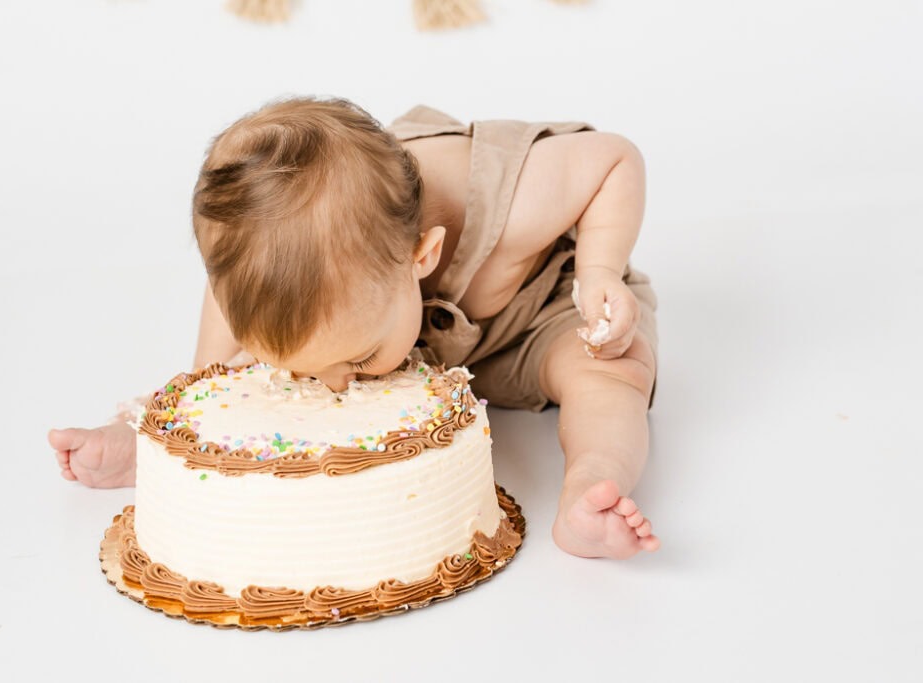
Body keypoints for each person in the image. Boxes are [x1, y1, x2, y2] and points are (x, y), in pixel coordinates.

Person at [48, 95, 661, 559]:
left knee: (607, 375)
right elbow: (220, 349)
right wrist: (194, 398)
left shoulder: (509, 196)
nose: (340, 385)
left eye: (360, 360)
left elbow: (614, 158)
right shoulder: (297, 267)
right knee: (249, 373)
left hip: (542, 316)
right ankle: (148, 442)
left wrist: (599, 270)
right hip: (427, 334)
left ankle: (591, 483)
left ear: (422, 257)